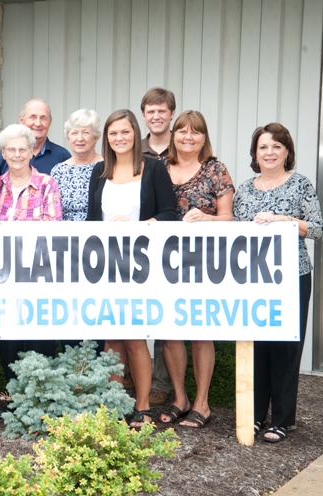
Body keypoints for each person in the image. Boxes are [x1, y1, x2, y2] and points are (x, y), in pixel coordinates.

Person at [233, 123, 323, 443]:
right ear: (254, 154)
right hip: (253, 279)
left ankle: (283, 419)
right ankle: (256, 415)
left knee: (286, 347)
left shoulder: (301, 185)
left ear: (287, 152)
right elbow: (234, 231)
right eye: (263, 147)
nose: (269, 153)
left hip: (292, 277)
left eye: (276, 146)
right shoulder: (244, 189)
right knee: (255, 346)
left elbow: (317, 228)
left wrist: (286, 220)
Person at [86, 109, 177, 428]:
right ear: (107, 138)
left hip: (142, 265)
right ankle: (113, 404)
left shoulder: (153, 169)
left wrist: (139, 225)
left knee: (136, 337)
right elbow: (90, 223)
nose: (119, 138)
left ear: (134, 134)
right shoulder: (99, 170)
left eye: (125, 132)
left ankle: (142, 407)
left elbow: (169, 214)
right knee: (111, 338)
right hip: (107, 266)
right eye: (113, 133)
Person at [158, 110, 234, 429]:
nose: (188, 137)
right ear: (173, 135)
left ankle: (203, 402)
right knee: (170, 331)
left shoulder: (215, 169)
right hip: (163, 261)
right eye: (182, 131)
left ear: (204, 137)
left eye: (196, 132)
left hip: (204, 262)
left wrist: (206, 218)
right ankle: (180, 398)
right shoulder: (158, 167)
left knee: (201, 331)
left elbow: (229, 219)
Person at [0, 123, 62, 418]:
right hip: (3, 274)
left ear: (32, 151)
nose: (18, 154)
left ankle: (38, 399)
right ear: (4, 153)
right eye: (12, 149)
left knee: (39, 334)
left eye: (23, 149)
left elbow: (53, 227)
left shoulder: (48, 184)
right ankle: (13, 397)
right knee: (8, 336)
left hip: (38, 272)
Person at [50, 109, 105, 353]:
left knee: (96, 314)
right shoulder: (58, 171)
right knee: (70, 312)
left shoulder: (107, 168)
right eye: (74, 133)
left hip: (100, 252)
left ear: (96, 137)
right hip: (66, 254)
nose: (80, 138)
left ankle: (97, 373)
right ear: (68, 137)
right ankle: (71, 371)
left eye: (86, 133)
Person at [140, 87, 177, 405]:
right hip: (139, 249)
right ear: (143, 115)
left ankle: (162, 383)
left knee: (167, 317)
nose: (156, 116)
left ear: (171, 114)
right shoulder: (132, 150)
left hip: (173, 246)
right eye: (150, 111)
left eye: (161, 111)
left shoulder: (185, 147)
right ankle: (133, 377)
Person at [0, 99, 71, 175]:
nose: (38, 123)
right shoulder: (7, 155)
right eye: (33, 117)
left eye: (43, 118)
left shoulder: (62, 156)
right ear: (21, 120)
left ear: (50, 122)